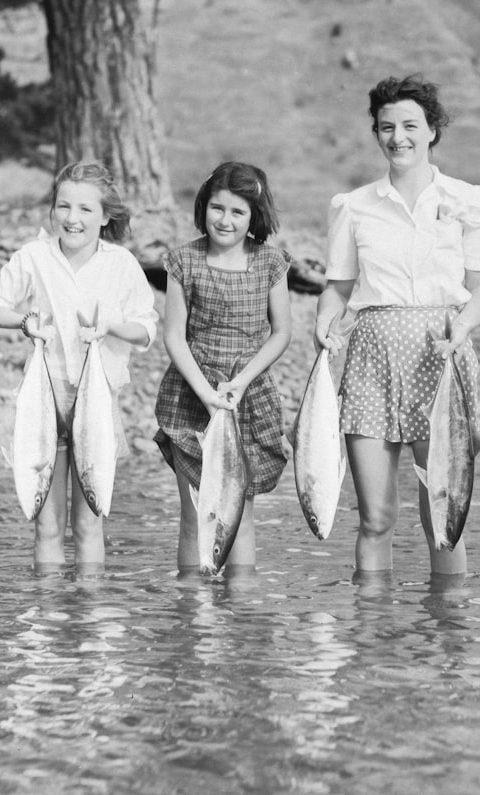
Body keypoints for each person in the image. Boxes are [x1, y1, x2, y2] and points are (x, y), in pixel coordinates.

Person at [314, 74, 480, 578]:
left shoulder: (471, 201)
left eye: (411, 125)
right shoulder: (352, 207)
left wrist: (461, 328)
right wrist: (324, 327)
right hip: (370, 355)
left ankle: (447, 640)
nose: (399, 137)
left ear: (433, 130)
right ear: (375, 133)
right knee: (376, 517)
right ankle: (372, 639)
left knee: (444, 511)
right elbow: (337, 288)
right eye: (387, 127)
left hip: (441, 353)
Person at [0, 161, 158, 575]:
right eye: (63, 207)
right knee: (47, 523)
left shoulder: (121, 264)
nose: (72, 219)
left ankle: (89, 623)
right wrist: (25, 323)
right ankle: (48, 616)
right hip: (45, 397)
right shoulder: (33, 256)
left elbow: (146, 326)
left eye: (85, 209)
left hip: (97, 398)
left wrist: (111, 326)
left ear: (106, 215)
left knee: (89, 520)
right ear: (53, 209)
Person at [153, 162, 292, 577]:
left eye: (238, 212)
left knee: (239, 514)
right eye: (217, 208)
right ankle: (193, 610)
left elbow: (281, 333)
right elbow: (174, 336)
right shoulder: (183, 260)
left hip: (247, 397)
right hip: (192, 395)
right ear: (204, 206)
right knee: (195, 512)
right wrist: (206, 392)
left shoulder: (270, 262)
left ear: (254, 215)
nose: (225, 220)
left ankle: (241, 605)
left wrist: (240, 383)